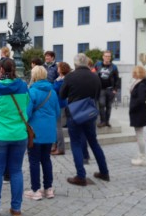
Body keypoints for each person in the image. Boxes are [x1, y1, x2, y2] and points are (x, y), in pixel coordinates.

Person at [0, 59, 29, 216]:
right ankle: (16, 209)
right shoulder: (23, 86)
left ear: (1, 70)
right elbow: (27, 103)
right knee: (16, 171)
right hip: (19, 134)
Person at [60, 53, 110, 186]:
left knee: (76, 143)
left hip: (74, 114)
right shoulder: (95, 77)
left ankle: (81, 176)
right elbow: (97, 95)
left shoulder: (70, 76)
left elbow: (62, 94)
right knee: (94, 142)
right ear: (87, 62)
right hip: (89, 114)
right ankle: (104, 172)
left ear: (75, 64)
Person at [24, 66, 60, 200]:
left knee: (34, 160)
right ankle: (48, 188)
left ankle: (36, 190)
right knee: (46, 159)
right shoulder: (53, 92)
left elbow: (27, 113)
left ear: (34, 76)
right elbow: (57, 112)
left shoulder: (31, 92)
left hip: (35, 132)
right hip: (49, 131)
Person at [129, 66, 146, 166]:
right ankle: (141, 156)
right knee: (139, 135)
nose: (132, 74)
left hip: (138, 112)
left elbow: (141, 99)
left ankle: (143, 158)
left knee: (139, 135)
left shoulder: (141, 85)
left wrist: (132, 108)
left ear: (138, 73)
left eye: (134, 72)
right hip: (138, 112)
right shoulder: (139, 83)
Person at [94, 50, 119, 128]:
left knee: (109, 106)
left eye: (109, 56)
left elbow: (117, 79)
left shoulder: (114, 67)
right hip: (101, 89)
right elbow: (93, 74)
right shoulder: (97, 65)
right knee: (101, 104)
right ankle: (102, 121)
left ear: (110, 57)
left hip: (110, 90)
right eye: (106, 56)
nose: (107, 58)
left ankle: (107, 122)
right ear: (103, 57)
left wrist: (115, 89)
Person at [51, 62, 71, 156]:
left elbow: (56, 89)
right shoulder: (60, 79)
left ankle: (60, 148)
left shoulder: (63, 80)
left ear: (62, 69)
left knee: (58, 127)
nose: (57, 69)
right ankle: (55, 146)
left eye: (58, 67)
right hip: (58, 104)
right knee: (55, 127)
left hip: (60, 104)